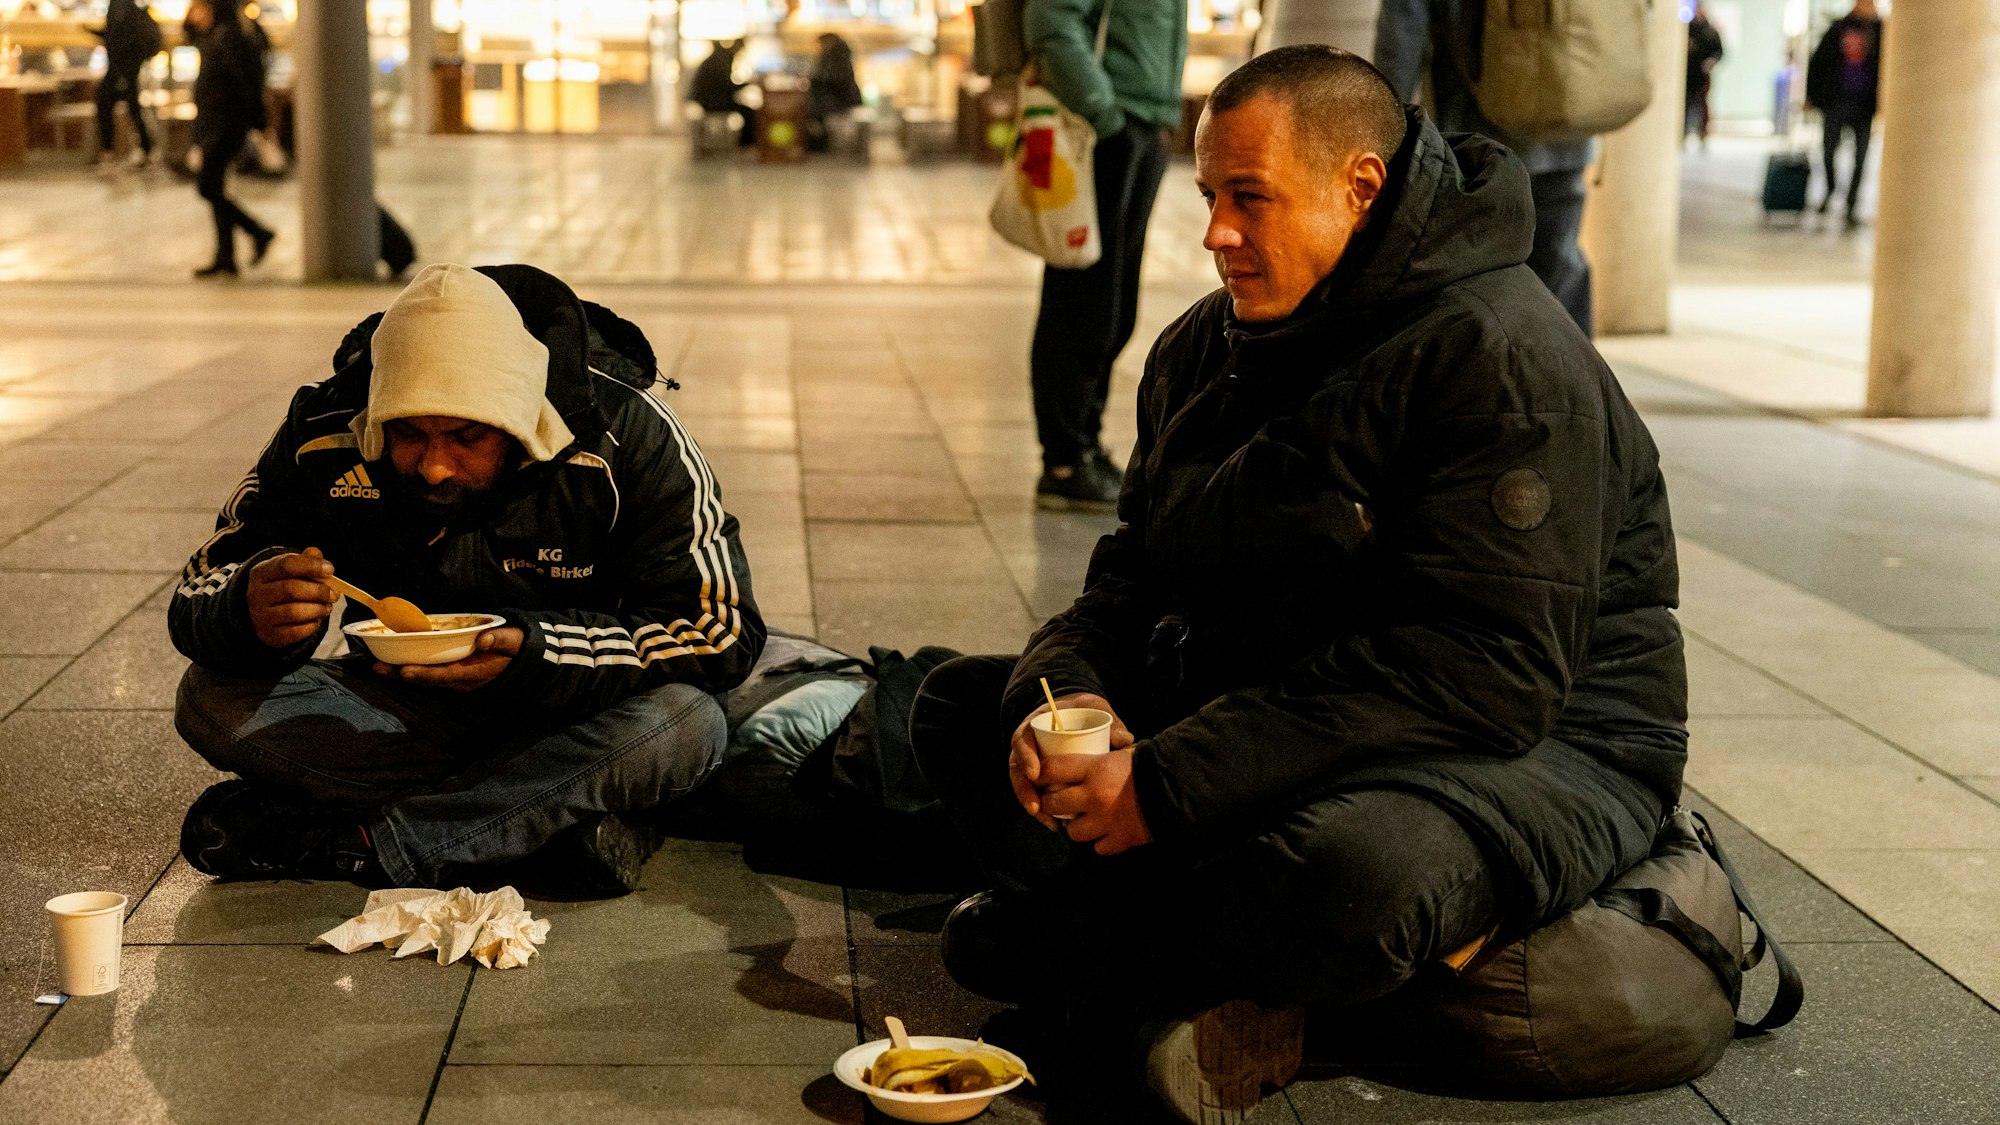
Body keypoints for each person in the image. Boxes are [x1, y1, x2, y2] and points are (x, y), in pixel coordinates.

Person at [910, 46, 1686, 1124]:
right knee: (955, 708)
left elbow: (1483, 674)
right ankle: (1156, 953)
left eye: (1249, 199)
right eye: (1207, 198)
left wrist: (1169, 785)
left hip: (1540, 744)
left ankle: (1135, 950)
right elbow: (1132, 575)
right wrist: (1069, 695)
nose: (1214, 233)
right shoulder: (1207, 347)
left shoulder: (1499, 358)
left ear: (1357, 189)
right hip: (1299, 696)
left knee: (1350, 877)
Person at [170, 263, 767, 897]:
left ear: (519, 419)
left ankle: (367, 846)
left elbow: (721, 628)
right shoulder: (327, 429)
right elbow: (207, 579)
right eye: (406, 433)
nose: (433, 467)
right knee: (209, 698)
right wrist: (249, 608)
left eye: (466, 437)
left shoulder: (630, 437)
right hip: (410, 717)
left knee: (684, 724)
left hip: (576, 716)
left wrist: (537, 653)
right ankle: (536, 819)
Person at [1023, 0, 1188, 510]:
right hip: (1104, 125)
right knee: (1083, 298)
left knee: (1113, 305)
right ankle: (1063, 459)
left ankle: (1085, 444)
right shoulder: (1107, 122)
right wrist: (1104, 113)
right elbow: (1052, 21)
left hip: (1141, 120)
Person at [1375, 0, 1597, 335]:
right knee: (1560, 267)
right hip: (1567, 129)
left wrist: (1387, 134)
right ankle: (1575, 381)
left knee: (1479, 280)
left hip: (1477, 138)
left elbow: (1404, 28)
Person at [183, 0, 274, 278]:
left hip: (225, 125)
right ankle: (226, 257)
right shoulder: (221, 34)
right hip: (219, 123)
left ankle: (258, 232)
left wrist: (255, 121)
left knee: (207, 187)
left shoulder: (228, 37)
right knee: (216, 187)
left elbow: (246, 82)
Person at [1805, 1, 1882, 229]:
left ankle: (1851, 204)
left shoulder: (1880, 31)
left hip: (1864, 106)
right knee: (1828, 152)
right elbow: (1819, 61)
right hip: (1836, 102)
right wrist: (1813, 95)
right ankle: (1830, 192)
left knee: (1861, 158)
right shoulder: (1838, 28)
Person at [92, 0, 162, 170]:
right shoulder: (125, 5)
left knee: (112, 105)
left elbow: (117, 35)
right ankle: (144, 149)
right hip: (126, 67)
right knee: (130, 107)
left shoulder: (120, 6)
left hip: (122, 68)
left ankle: (114, 151)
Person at [690, 39, 755, 149]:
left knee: (746, 110)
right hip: (713, 102)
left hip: (708, 100)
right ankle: (745, 144)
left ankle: (745, 143)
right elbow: (727, 86)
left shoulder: (717, 59)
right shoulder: (721, 60)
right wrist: (748, 84)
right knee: (748, 111)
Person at [804, 32, 864, 153]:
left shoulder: (836, 56)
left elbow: (833, 78)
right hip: (839, 100)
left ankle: (823, 146)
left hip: (838, 101)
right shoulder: (841, 55)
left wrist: (813, 80)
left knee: (815, 118)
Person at [1685, 5, 1725, 149]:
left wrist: (1710, 62)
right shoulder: (1688, 31)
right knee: (1686, 106)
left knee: (1702, 106)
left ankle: (1703, 135)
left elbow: (1719, 52)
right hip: (1688, 76)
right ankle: (1684, 134)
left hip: (1702, 76)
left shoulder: (1711, 32)